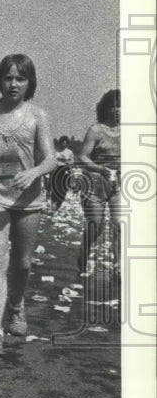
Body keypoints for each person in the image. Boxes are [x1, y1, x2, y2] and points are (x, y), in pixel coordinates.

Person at [0, 54, 56, 351]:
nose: (13, 84)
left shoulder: (37, 116)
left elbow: (50, 158)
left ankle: (17, 304)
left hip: (28, 198)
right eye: (8, 78)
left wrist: (34, 172)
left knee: (22, 264)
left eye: (20, 78)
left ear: (30, 83)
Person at [76, 88, 121, 276]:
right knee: (96, 224)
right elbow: (83, 157)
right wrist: (100, 169)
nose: (119, 110)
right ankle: (84, 255)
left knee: (120, 223)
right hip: (95, 184)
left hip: (118, 184)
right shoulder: (96, 131)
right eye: (115, 106)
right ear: (106, 108)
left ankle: (118, 265)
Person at [46, 135, 75, 213]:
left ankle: (58, 205)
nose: (64, 144)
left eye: (66, 143)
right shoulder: (55, 151)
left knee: (63, 189)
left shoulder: (69, 152)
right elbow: (50, 161)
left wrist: (72, 176)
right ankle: (53, 204)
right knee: (54, 187)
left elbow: (71, 164)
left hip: (65, 171)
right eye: (62, 143)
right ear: (60, 142)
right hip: (55, 170)